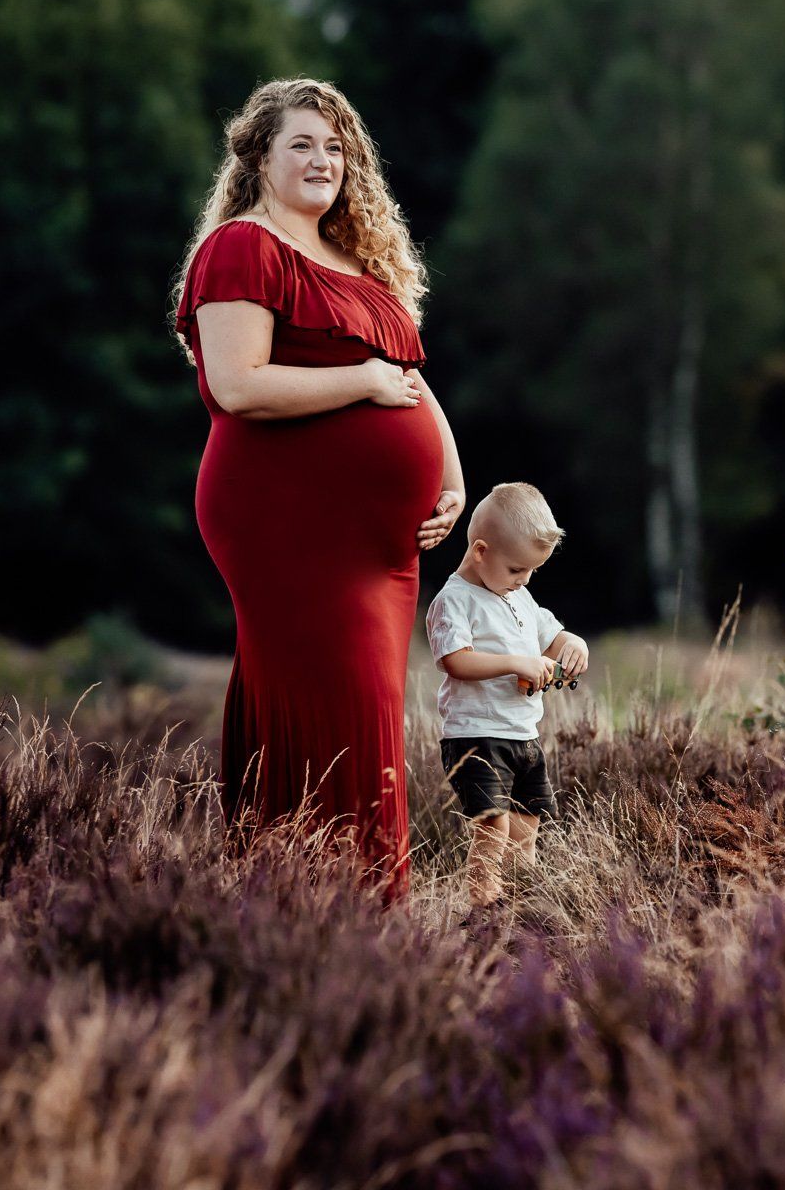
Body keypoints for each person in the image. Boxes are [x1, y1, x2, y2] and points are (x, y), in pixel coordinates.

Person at [169, 78, 467, 903]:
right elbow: (238, 386)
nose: (321, 159)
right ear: (259, 159)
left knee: (366, 710)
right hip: (287, 523)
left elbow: (405, 378)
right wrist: (363, 383)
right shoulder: (242, 247)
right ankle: (338, 910)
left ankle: (318, 907)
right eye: (301, 143)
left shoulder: (356, 263)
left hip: (381, 547)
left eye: (335, 146)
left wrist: (450, 475)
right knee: (340, 706)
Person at [425, 483, 591, 908]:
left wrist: (573, 645)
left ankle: (521, 909)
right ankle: (484, 909)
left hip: (523, 736)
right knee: (493, 825)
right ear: (480, 551)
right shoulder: (455, 600)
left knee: (525, 827)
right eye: (517, 570)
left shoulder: (519, 594)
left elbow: (551, 636)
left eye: (531, 571)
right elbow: (455, 661)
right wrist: (517, 663)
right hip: (475, 735)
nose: (524, 580)